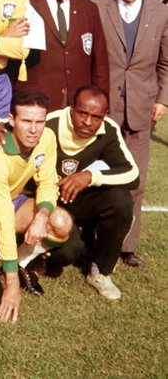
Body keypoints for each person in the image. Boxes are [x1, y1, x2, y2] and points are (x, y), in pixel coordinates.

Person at [0, 89, 72, 323]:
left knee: (60, 222)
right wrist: (11, 285)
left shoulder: (47, 138)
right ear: (11, 120)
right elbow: (3, 218)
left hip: (11, 198)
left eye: (39, 121)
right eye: (26, 121)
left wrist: (41, 216)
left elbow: (48, 182)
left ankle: (20, 262)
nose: (33, 129)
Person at [97, 0, 168, 268]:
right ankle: (95, 243)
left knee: (136, 181)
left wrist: (163, 99)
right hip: (105, 107)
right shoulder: (98, 9)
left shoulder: (160, 12)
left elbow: (166, 63)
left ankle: (128, 246)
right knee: (102, 176)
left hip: (142, 107)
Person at [42, 85, 138, 300]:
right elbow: (11, 124)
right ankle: (36, 255)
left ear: (105, 115)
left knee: (120, 200)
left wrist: (89, 177)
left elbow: (132, 174)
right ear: (71, 108)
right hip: (48, 200)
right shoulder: (50, 123)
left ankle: (99, 271)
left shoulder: (108, 129)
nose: (87, 122)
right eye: (82, 113)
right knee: (67, 253)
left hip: (79, 199)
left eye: (96, 116)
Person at [14, 0, 109, 111]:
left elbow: (99, 63)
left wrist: (101, 105)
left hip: (78, 109)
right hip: (36, 108)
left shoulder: (89, 8)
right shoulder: (26, 3)